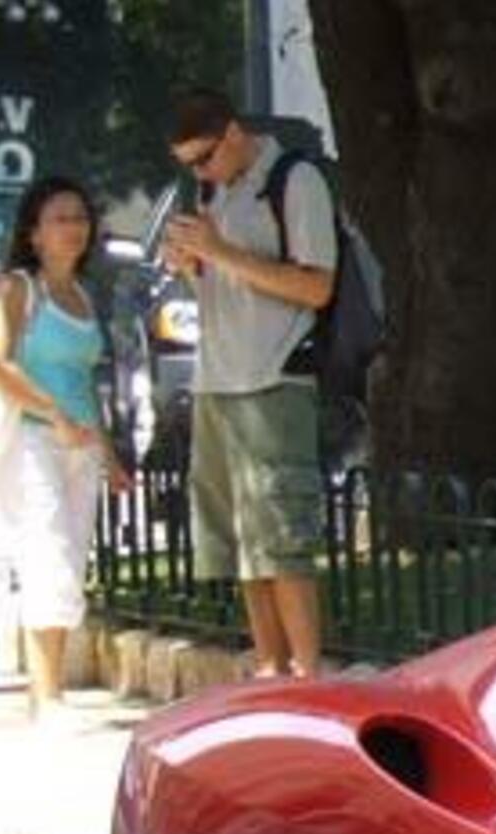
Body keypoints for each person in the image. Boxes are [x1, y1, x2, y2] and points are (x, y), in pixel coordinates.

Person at [161, 88, 336, 680]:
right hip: (219, 379)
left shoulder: (295, 179)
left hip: (272, 378)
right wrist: (194, 267)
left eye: (203, 157)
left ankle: (308, 675)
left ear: (233, 134)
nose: (197, 172)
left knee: (282, 540)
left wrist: (221, 251)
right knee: (241, 543)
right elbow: (226, 288)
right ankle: (270, 668)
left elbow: (315, 287)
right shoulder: (217, 191)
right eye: (187, 165)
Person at [0, 177, 132, 723]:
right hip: (32, 437)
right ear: (34, 232)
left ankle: (47, 693)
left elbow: (85, 383)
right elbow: (1, 366)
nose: (73, 227)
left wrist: (111, 457)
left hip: (81, 446)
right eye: (59, 218)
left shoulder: (84, 295)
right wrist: (53, 414)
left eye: (79, 217)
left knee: (70, 560)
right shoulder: (17, 289)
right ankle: (47, 696)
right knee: (46, 553)